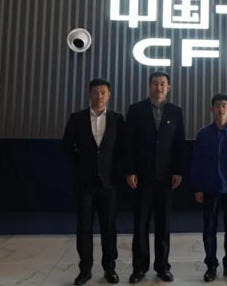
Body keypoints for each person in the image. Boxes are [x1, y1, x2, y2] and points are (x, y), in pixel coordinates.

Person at [125, 72, 186, 283]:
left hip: (166, 178)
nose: (158, 87)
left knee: (163, 225)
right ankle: (139, 268)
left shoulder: (176, 112)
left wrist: (178, 171)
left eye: (162, 84)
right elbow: (128, 144)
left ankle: (162, 267)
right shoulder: (136, 110)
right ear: (149, 86)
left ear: (168, 87)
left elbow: (179, 144)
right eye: (155, 83)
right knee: (140, 225)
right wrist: (130, 170)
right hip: (141, 177)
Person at [63, 78, 124, 285]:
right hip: (85, 183)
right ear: (90, 94)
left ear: (109, 95)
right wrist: (80, 165)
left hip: (109, 183)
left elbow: (122, 149)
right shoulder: (77, 118)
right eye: (96, 92)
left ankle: (110, 268)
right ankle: (85, 270)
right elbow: (66, 146)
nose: (99, 96)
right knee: (84, 228)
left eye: (103, 93)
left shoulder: (117, 119)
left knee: (109, 228)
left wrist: (115, 171)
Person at [191, 94, 227, 283]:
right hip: (210, 189)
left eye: (224, 105)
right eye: (217, 105)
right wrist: (198, 187)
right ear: (212, 109)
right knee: (209, 229)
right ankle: (211, 266)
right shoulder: (204, 133)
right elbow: (197, 162)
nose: (221, 109)